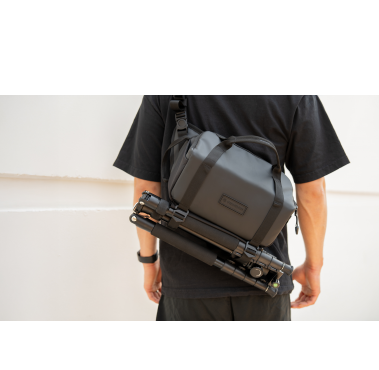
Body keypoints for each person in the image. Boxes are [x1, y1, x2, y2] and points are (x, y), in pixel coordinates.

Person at [114, 96, 349, 321]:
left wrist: (149, 262)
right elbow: (313, 192)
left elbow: (146, 187)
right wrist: (313, 267)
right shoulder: (295, 95)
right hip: (264, 275)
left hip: (187, 280)